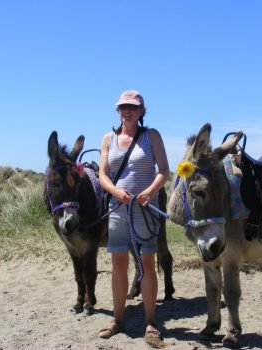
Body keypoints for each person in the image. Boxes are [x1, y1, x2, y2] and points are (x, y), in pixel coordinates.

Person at [98, 89, 169, 348]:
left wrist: (150, 192)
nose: (126, 111)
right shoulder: (108, 138)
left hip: (146, 209)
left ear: (141, 111)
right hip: (119, 208)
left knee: (147, 264)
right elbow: (103, 175)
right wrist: (117, 193)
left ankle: (150, 322)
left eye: (132, 107)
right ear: (118, 111)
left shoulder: (152, 136)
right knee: (118, 264)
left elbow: (164, 171)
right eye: (122, 107)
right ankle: (118, 320)